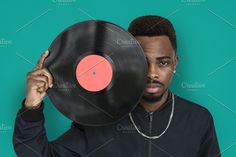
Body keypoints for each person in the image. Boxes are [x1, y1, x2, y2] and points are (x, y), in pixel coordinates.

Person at [13, 15, 221, 157]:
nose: (151, 73)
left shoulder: (199, 120)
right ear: (127, 61)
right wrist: (32, 108)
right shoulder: (98, 118)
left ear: (175, 63)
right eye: (142, 62)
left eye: (163, 62)